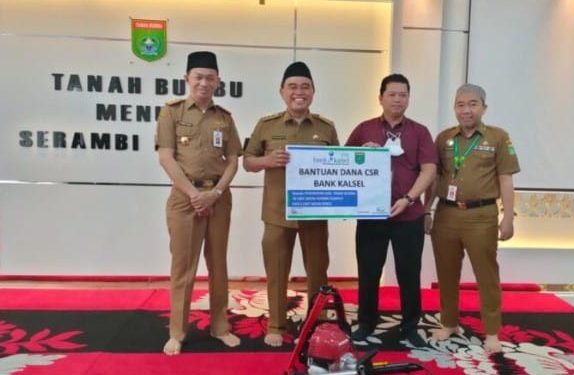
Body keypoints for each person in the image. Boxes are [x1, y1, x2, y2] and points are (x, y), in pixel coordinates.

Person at [243, 61, 339, 347]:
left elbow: (340, 165)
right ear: (282, 91)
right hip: (277, 213)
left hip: (315, 213)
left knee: (318, 271)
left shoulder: (326, 127)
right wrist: (267, 161)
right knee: (276, 270)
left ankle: (317, 322)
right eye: (293, 87)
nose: (299, 92)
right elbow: (248, 161)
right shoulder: (266, 125)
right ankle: (276, 324)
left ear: (313, 92)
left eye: (305, 87)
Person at [155, 51, 242, 355]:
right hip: (184, 199)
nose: (204, 83)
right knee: (184, 267)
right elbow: (166, 156)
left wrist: (215, 192)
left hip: (218, 198)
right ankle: (177, 332)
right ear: (187, 80)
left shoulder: (225, 118)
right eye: (198, 77)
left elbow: (232, 161)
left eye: (210, 77)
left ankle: (220, 327)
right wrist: (193, 194)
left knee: (218, 265)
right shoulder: (172, 113)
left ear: (218, 81)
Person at [424, 83, 520, 354]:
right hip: (446, 214)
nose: (466, 110)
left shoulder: (498, 138)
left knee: (486, 275)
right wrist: (425, 210)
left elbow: (506, 179)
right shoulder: (444, 139)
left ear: (484, 108)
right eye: (460, 105)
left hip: (482, 216)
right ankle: (449, 322)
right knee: (446, 273)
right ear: (455, 108)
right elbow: (435, 178)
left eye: (472, 104)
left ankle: (491, 332)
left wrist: (507, 217)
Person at [345, 73, 437, 347]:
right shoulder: (365, 129)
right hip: (372, 215)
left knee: (409, 272)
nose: (398, 99)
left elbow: (429, 169)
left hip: (408, 214)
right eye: (392, 94)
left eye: (403, 94)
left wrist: (410, 198)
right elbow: (345, 162)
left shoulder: (419, 132)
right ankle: (366, 322)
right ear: (381, 97)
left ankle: (410, 326)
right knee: (369, 271)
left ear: (409, 98)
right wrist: (363, 152)